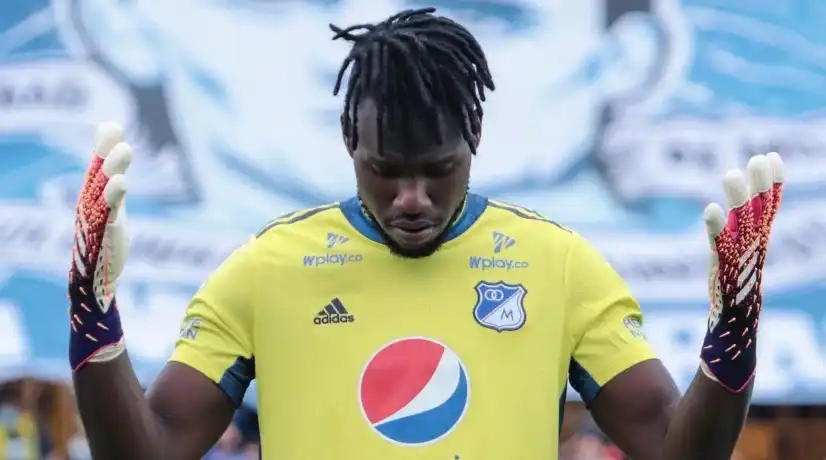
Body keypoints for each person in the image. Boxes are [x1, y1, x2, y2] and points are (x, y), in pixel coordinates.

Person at [66, 8, 785, 460]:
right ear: (349, 139)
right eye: (385, 171)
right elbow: (150, 449)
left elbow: (674, 448)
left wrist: (732, 335)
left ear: (475, 135)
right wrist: (93, 319)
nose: (412, 199)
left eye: (439, 170)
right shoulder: (265, 270)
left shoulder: (558, 265)